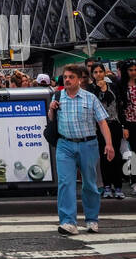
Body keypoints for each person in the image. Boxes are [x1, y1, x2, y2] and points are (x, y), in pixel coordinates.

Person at [47, 65, 113, 236]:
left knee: (90, 184)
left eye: (71, 77)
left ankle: (92, 219)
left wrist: (109, 144)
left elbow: (102, 122)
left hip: (88, 144)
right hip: (65, 144)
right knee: (65, 183)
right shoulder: (58, 96)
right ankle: (68, 222)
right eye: (65, 77)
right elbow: (51, 120)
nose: (67, 80)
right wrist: (52, 109)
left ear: (79, 79)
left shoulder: (90, 98)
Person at [89, 64, 124, 199]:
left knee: (116, 155)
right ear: (92, 74)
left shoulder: (113, 86)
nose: (98, 74)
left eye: (100, 71)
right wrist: (99, 88)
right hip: (99, 126)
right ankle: (107, 186)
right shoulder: (91, 89)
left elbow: (119, 106)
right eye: (95, 72)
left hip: (114, 124)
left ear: (104, 72)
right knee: (104, 156)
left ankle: (118, 186)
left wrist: (124, 126)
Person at [117, 61, 136, 195]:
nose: (133, 72)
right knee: (133, 154)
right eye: (130, 70)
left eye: (135, 69)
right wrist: (124, 126)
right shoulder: (121, 85)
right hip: (130, 123)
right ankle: (134, 181)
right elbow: (120, 107)